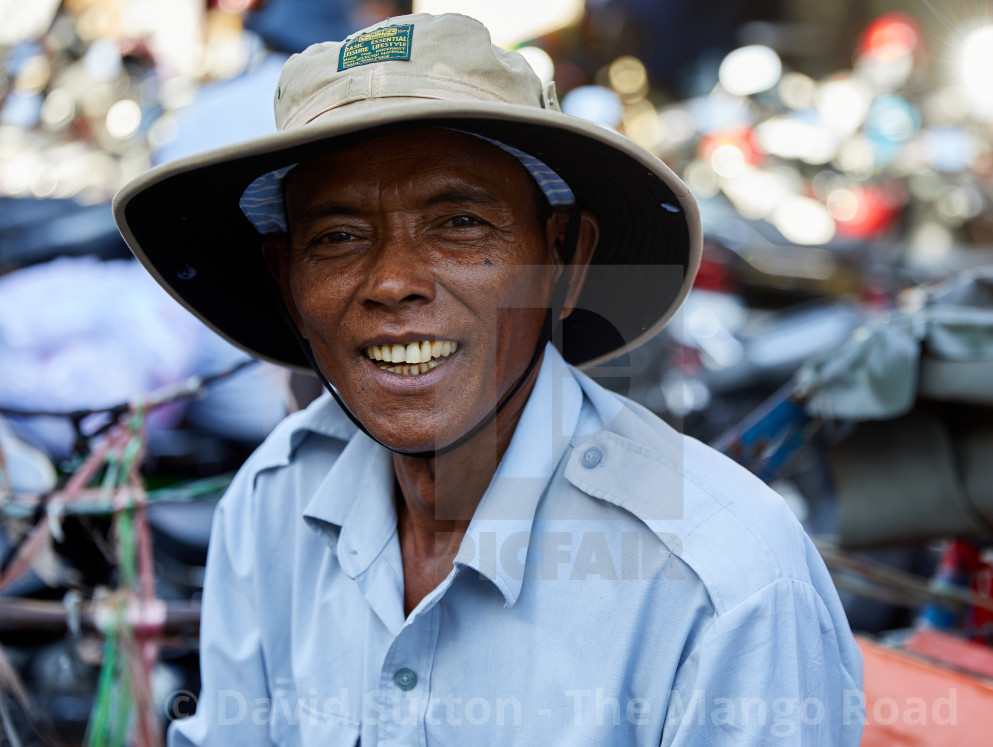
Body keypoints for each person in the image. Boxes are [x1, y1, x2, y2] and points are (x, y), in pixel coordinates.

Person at [114, 12, 863, 745]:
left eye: (460, 223)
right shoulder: (273, 502)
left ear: (563, 259)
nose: (394, 282)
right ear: (288, 283)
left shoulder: (723, 583)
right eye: (339, 237)